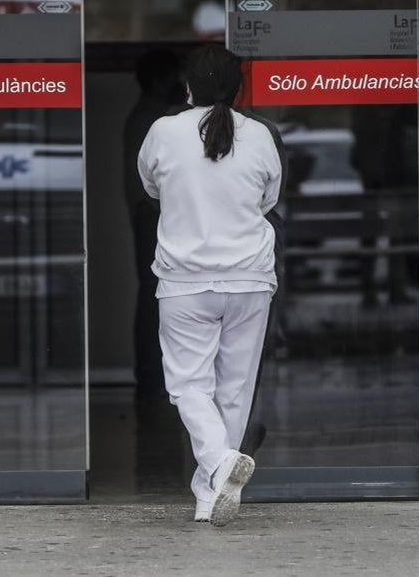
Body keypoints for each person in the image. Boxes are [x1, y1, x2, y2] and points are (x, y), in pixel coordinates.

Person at [137, 44, 282, 526]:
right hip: (248, 279)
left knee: (188, 386)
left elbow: (151, 186)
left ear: (188, 88)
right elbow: (268, 199)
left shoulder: (163, 131)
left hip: (185, 282)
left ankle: (218, 465)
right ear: (238, 90)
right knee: (235, 390)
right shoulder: (260, 135)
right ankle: (209, 493)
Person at [123, 49, 185, 400]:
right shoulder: (152, 120)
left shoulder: (149, 117)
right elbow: (151, 183)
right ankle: (150, 375)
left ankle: (152, 375)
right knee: (154, 296)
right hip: (152, 216)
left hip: (150, 215)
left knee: (153, 296)